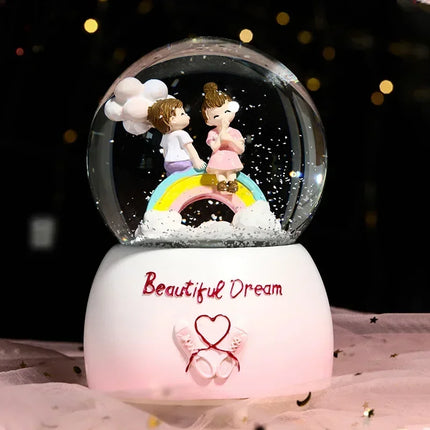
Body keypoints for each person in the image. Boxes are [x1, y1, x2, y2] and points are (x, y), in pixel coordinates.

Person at [201, 82, 245, 193]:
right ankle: (221, 182)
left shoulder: (235, 132)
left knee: (231, 171)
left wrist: (230, 139)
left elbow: (240, 149)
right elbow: (214, 147)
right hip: (218, 158)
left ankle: (232, 182)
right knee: (219, 171)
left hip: (231, 157)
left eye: (227, 111)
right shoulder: (212, 133)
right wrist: (222, 132)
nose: (222, 117)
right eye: (216, 116)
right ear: (208, 121)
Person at [147, 98, 206, 176]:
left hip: (168, 164)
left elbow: (165, 151)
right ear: (172, 119)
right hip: (183, 162)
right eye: (182, 114)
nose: (187, 116)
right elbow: (190, 148)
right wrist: (197, 161)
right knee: (190, 176)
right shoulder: (181, 134)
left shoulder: (165, 136)